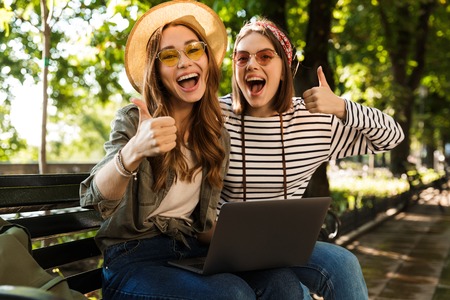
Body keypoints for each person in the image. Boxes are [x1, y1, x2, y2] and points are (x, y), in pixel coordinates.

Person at [80, 2, 304, 299]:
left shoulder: (215, 136)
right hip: (132, 261)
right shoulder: (135, 120)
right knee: (232, 294)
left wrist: (255, 240)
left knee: (284, 285)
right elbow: (93, 200)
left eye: (194, 50)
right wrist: (133, 151)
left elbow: (203, 228)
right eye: (170, 56)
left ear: (207, 61)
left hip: (190, 254)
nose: (184, 62)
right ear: (157, 71)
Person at [219, 17, 405, 299]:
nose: (252, 65)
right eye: (242, 58)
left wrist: (342, 107)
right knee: (290, 291)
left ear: (284, 69)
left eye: (265, 56)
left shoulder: (314, 121)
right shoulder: (214, 116)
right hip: (225, 246)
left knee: (344, 264)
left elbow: (392, 137)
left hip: (283, 244)